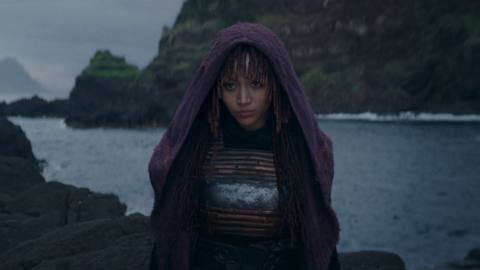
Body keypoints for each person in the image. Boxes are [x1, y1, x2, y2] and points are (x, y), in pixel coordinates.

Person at [148, 22, 341, 270]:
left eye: (256, 84)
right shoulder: (195, 144)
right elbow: (173, 231)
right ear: (216, 88)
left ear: (274, 85)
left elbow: (316, 235)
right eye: (230, 86)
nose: (243, 99)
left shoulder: (299, 147)